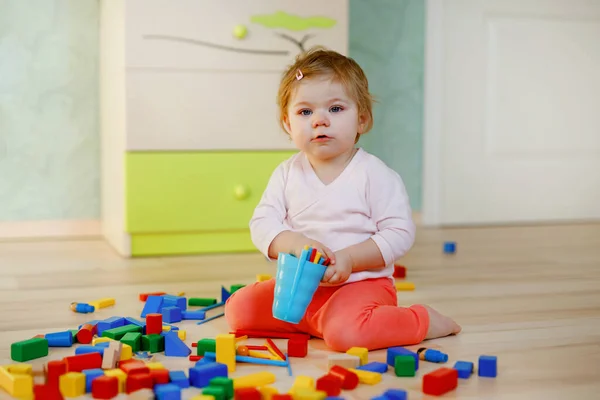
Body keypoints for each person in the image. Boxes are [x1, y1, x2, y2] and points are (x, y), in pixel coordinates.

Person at [224, 47, 461, 351]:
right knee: (239, 311)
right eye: (305, 112)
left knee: (346, 336)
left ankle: (422, 321)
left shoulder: (375, 175)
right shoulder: (286, 173)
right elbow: (262, 223)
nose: (319, 120)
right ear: (287, 123)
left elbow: (399, 233)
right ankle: (316, 321)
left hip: (361, 286)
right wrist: (294, 244)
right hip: (298, 287)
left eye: (335, 109)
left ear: (361, 120)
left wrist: (349, 258)